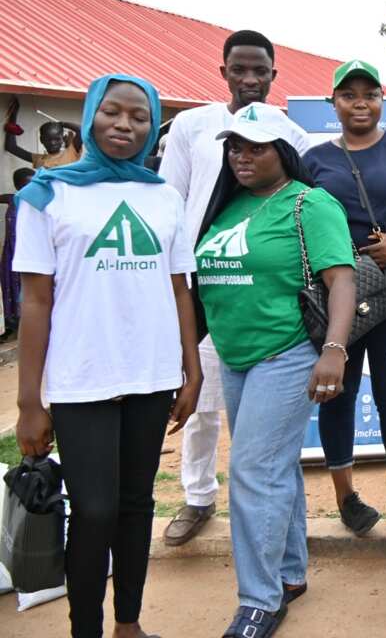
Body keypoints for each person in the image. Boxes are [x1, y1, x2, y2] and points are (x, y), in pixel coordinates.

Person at [13, 74, 202, 638]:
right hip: (81, 380)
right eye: (112, 113)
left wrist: (190, 371)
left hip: (151, 376)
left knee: (136, 506)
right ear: (91, 116)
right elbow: (36, 302)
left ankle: (128, 623)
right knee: (94, 511)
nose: (125, 125)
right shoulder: (46, 195)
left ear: (152, 127)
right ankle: (85, 629)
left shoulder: (164, 196)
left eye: (139, 117)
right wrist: (29, 402)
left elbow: (178, 289)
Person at [193, 102, 354, 637]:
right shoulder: (226, 206)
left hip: (286, 354)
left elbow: (342, 281)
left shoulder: (310, 204)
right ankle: (288, 575)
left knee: (252, 472)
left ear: (282, 152)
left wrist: (334, 349)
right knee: (273, 469)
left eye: (255, 146)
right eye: (234, 146)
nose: (241, 156)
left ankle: (259, 600)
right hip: (236, 356)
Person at [159, 29, 311, 548]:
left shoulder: (291, 132)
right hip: (201, 282)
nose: (250, 79)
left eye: (260, 71)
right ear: (222, 71)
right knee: (198, 400)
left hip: (261, 285)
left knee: (258, 425)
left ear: (273, 76)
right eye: (239, 69)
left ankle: (276, 532)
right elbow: (171, 201)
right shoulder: (193, 127)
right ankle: (198, 496)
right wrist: (176, 280)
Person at [304, 59, 386, 537]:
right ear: (333, 103)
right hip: (336, 299)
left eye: (370, 94)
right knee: (336, 396)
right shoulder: (314, 159)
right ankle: (346, 497)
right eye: (349, 94)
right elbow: (299, 224)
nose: (360, 102)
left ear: (383, 101)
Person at [1, 167, 35, 338]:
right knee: (10, 286)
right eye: (26, 185)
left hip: (27, 252)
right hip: (10, 252)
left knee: (27, 288)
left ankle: (28, 323)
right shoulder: (12, 199)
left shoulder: (37, 203)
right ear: (18, 186)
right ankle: (13, 322)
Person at [4, 96, 83, 169]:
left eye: (57, 139)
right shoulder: (39, 159)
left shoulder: (71, 152)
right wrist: (13, 116)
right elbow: (11, 147)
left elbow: (81, 130)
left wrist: (62, 124)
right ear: (41, 140)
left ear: (62, 139)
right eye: (48, 139)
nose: (53, 143)